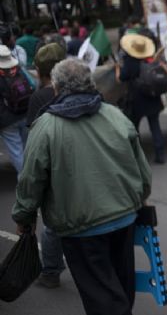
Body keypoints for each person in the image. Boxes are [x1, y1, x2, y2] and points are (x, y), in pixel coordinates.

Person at [12, 59, 151, 315]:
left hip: (81, 227)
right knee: (121, 286)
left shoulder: (45, 126)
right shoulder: (115, 115)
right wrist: (140, 199)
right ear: (91, 83)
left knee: (101, 296)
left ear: (55, 87)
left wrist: (24, 216)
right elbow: (142, 172)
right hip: (123, 216)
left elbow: (30, 180)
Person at [24, 43, 67, 289]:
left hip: (54, 169)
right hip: (81, 166)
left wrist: (25, 209)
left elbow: (34, 144)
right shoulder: (85, 91)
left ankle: (51, 271)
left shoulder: (40, 97)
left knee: (54, 224)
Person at [116, 33, 166, 164]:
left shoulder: (130, 62)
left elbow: (121, 78)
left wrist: (117, 68)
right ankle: (160, 154)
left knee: (134, 128)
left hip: (136, 99)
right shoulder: (150, 60)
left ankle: (137, 156)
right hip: (152, 96)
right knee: (155, 126)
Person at [0, 44, 30, 175]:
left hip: (7, 121)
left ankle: (27, 184)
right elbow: (32, 85)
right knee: (27, 149)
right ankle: (36, 179)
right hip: (24, 113)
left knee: (17, 153)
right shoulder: (17, 70)